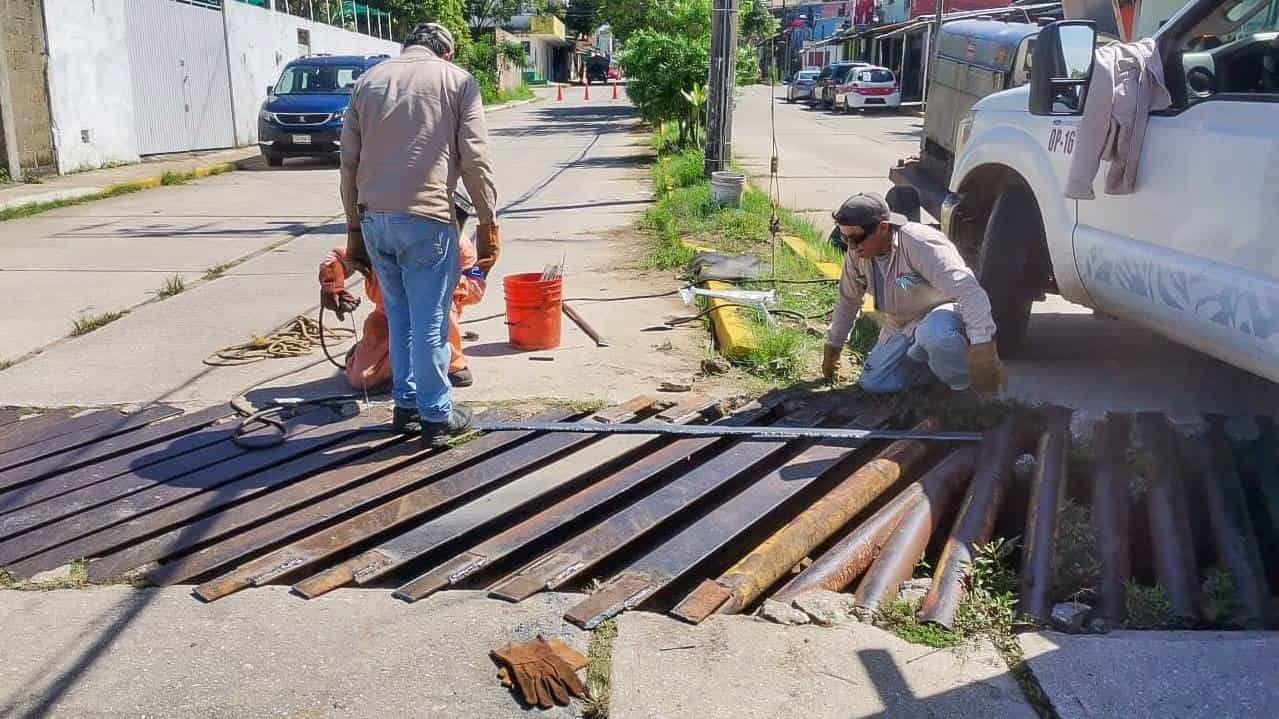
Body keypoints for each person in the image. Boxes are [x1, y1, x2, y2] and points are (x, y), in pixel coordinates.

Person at [340, 22, 500, 445]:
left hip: (375, 220)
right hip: (426, 221)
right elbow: (475, 160)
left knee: (400, 316)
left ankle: (406, 407)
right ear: (446, 53)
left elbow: (349, 168)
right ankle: (435, 415)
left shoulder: (367, 82)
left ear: (406, 47)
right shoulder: (458, 81)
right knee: (430, 321)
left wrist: (354, 234)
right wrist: (488, 223)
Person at [821, 192, 1006, 396]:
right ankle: (934, 376)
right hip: (901, 325)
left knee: (936, 336)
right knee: (874, 383)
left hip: (944, 316)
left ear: (883, 227)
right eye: (844, 238)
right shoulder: (858, 254)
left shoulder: (920, 243)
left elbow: (969, 291)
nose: (851, 247)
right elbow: (848, 300)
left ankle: (966, 390)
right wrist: (833, 348)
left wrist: (983, 351)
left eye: (855, 238)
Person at [320, 190, 486, 392]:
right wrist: (332, 282)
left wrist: (451, 280)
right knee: (363, 379)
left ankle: (450, 361)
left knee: (439, 311)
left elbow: (476, 284)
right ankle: (367, 353)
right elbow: (339, 258)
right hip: (387, 317)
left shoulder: (460, 247)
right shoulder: (382, 237)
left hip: (438, 315)